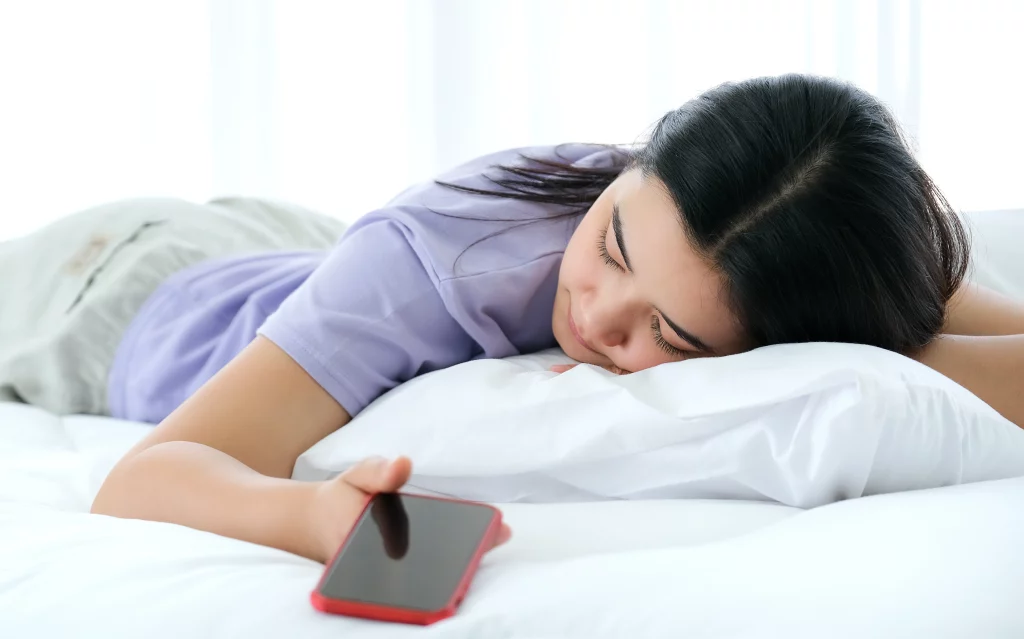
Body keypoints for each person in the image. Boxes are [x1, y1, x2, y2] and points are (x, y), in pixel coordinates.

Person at [3, 74, 1022, 565]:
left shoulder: (776, 229)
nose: (597, 314)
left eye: (673, 337)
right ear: (634, 162)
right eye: (614, 242)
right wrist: (313, 518)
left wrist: (883, 326)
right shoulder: (435, 264)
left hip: (293, 252)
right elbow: (142, 479)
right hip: (110, 287)